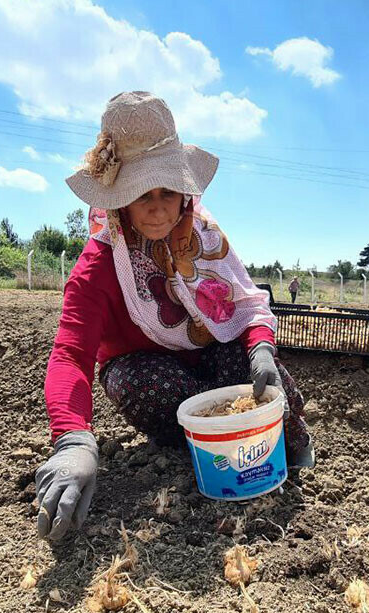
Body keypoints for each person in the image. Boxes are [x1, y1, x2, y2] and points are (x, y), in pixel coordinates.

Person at [37, 91, 313, 542]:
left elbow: (244, 304)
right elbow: (70, 355)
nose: (159, 207)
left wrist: (261, 346)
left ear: (186, 193)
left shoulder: (204, 238)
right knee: (131, 378)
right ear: (118, 198)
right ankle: (203, 447)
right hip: (159, 381)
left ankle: (271, 440)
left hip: (210, 361)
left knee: (251, 365)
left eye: (169, 192)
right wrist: (72, 440)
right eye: (142, 193)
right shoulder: (98, 267)